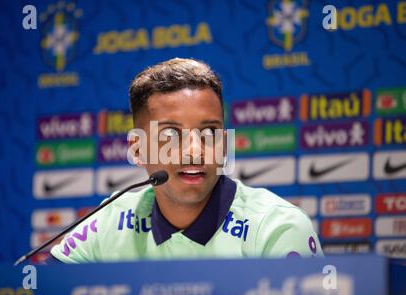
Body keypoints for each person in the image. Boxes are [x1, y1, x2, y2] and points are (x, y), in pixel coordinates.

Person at [50, 58, 323, 263]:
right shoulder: (109, 221)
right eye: (171, 134)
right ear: (137, 148)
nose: (195, 150)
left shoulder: (276, 228)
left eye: (209, 132)